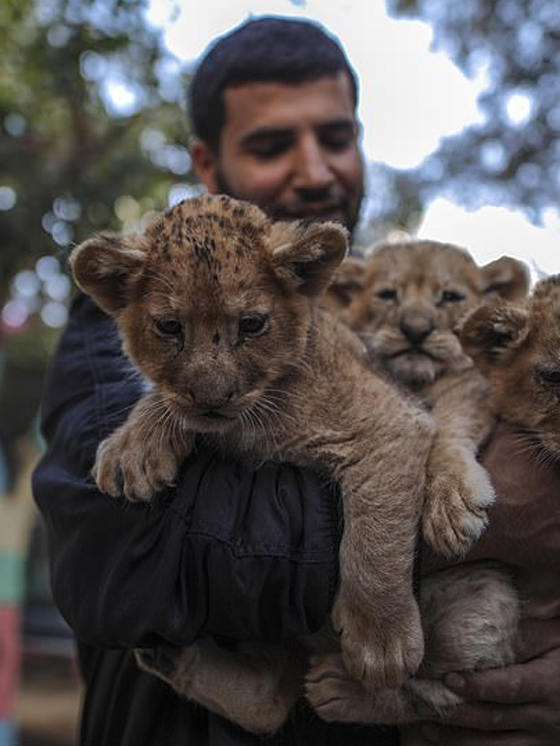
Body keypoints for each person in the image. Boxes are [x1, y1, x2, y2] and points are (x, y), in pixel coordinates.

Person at [32, 16, 560, 746]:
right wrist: (498, 518)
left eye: (336, 138)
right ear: (208, 164)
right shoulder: (122, 320)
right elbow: (122, 553)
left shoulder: (377, 293)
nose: (314, 171)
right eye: (271, 144)